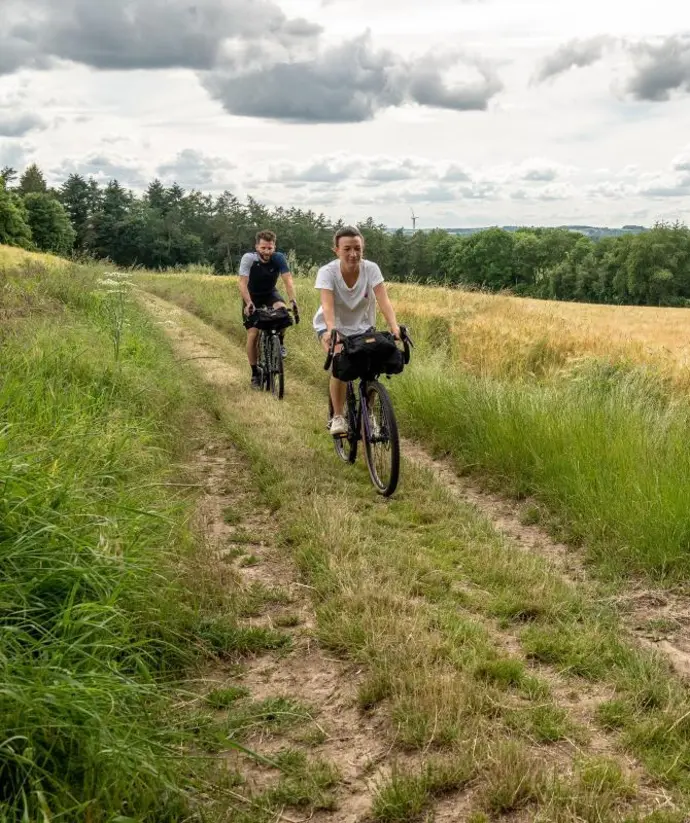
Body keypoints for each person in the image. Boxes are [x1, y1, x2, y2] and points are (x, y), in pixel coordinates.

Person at [313, 226, 400, 435]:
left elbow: (383, 300)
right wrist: (332, 332)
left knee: (370, 367)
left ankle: (368, 414)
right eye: (347, 249)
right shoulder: (327, 272)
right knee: (340, 362)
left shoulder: (371, 269)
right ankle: (338, 417)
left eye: (357, 248)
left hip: (362, 325)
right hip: (332, 325)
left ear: (363, 248)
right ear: (337, 250)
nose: (353, 254)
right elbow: (327, 305)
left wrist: (394, 327)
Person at [239, 230, 298, 389]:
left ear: (274, 247)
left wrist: (293, 300)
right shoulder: (249, 259)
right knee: (253, 333)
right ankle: (255, 373)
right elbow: (242, 283)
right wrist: (248, 302)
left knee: (284, 314)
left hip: (270, 294)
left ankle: (280, 342)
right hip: (251, 297)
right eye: (263, 248)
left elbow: (287, 279)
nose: (267, 251)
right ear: (257, 246)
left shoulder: (278, 258)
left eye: (270, 248)